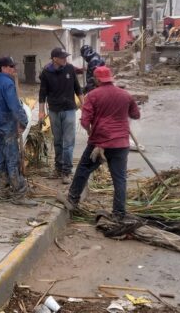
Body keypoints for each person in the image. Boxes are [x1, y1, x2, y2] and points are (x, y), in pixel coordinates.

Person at [59, 66, 140, 217]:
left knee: (83, 169)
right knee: (120, 178)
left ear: (97, 80)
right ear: (111, 78)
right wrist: (121, 113)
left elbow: (84, 121)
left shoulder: (93, 95)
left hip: (99, 144)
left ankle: (72, 199)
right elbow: (135, 115)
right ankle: (119, 213)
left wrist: (90, 131)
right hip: (121, 143)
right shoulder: (125, 95)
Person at [0, 56, 37, 206]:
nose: (14, 69)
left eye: (14, 66)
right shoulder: (7, 83)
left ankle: (3, 192)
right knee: (13, 161)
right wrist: (24, 121)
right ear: (3, 68)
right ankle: (19, 195)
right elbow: (14, 106)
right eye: (11, 67)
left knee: (1, 161)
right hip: (7, 127)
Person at [39, 48, 83, 184]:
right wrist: (41, 112)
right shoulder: (46, 72)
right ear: (54, 59)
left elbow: (77, 88)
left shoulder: (70, 69)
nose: (65, 59)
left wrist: (85, 106)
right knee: (57, 141)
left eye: (65, 57)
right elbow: (42, 94)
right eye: (62, 57)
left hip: (69, 109)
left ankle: (67, 171)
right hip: (54, 111)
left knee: (68, 143)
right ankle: (58, 168)